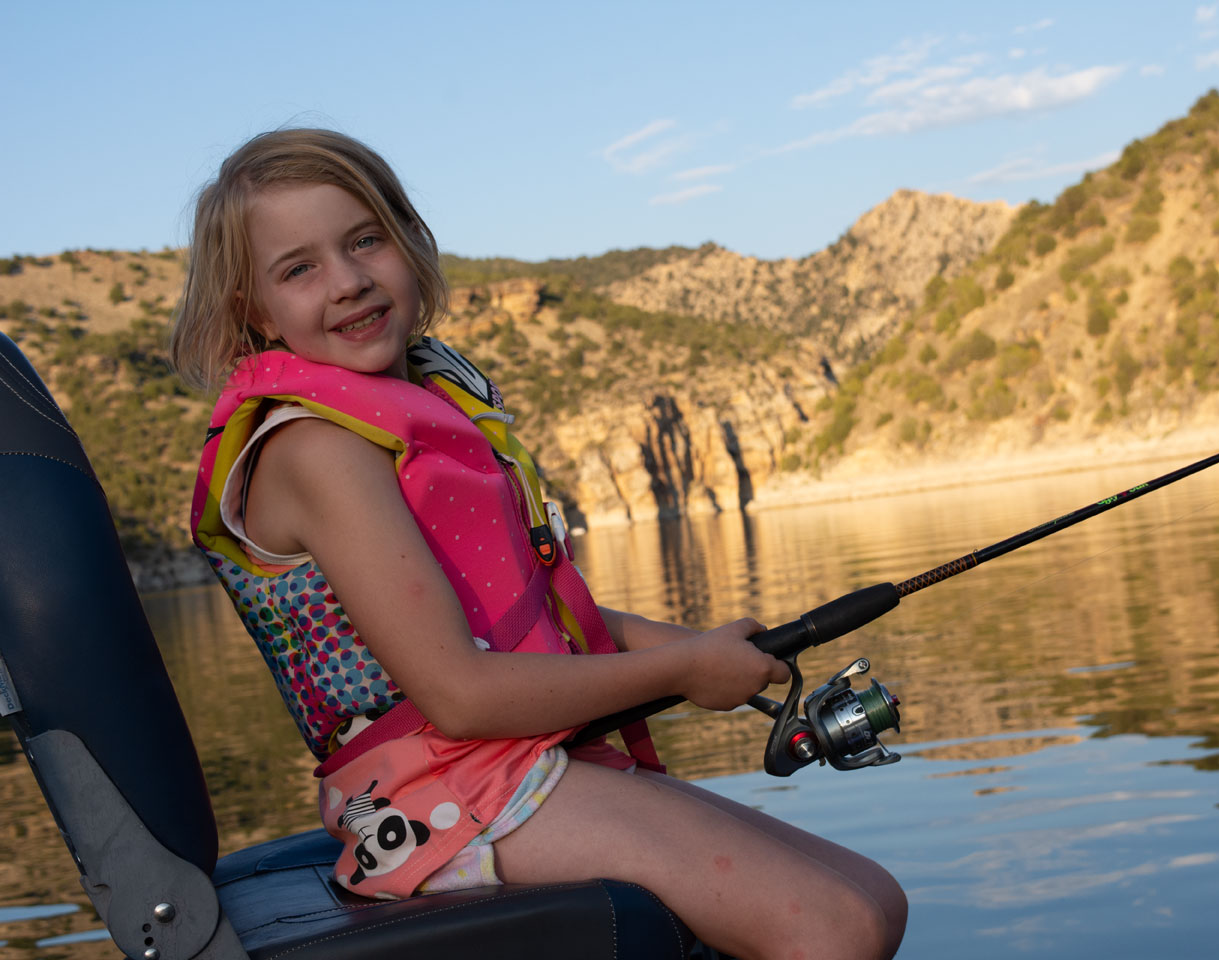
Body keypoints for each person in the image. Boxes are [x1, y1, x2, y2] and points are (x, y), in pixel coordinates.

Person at [171, 128, 906, 960]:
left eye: (365, 239)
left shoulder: (413, 410)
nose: (346, 280)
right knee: (833, 926)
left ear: (409, 238)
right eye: (299, 268)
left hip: (510, 764)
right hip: (438, 797)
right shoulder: (317, 451)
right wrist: (682, 672)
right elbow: (461, 696)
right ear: (253, 310)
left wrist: (710, 652)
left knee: (875, 898)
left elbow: (543, 620)